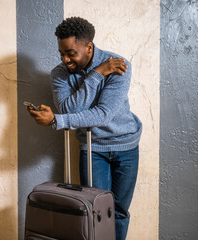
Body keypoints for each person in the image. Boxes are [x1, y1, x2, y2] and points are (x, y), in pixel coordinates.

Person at [27, 17, 142, 240]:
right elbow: (68, 108)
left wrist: (57, 121)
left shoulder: (118, 65)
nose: (65, 59)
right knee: (93, 211)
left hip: (126, 145)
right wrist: (98, 73)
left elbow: (102, 114)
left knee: (119, 211)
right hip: (93, 148)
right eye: (61, 53)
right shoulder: (60, 74)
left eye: (71, 53)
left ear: (88, 47)